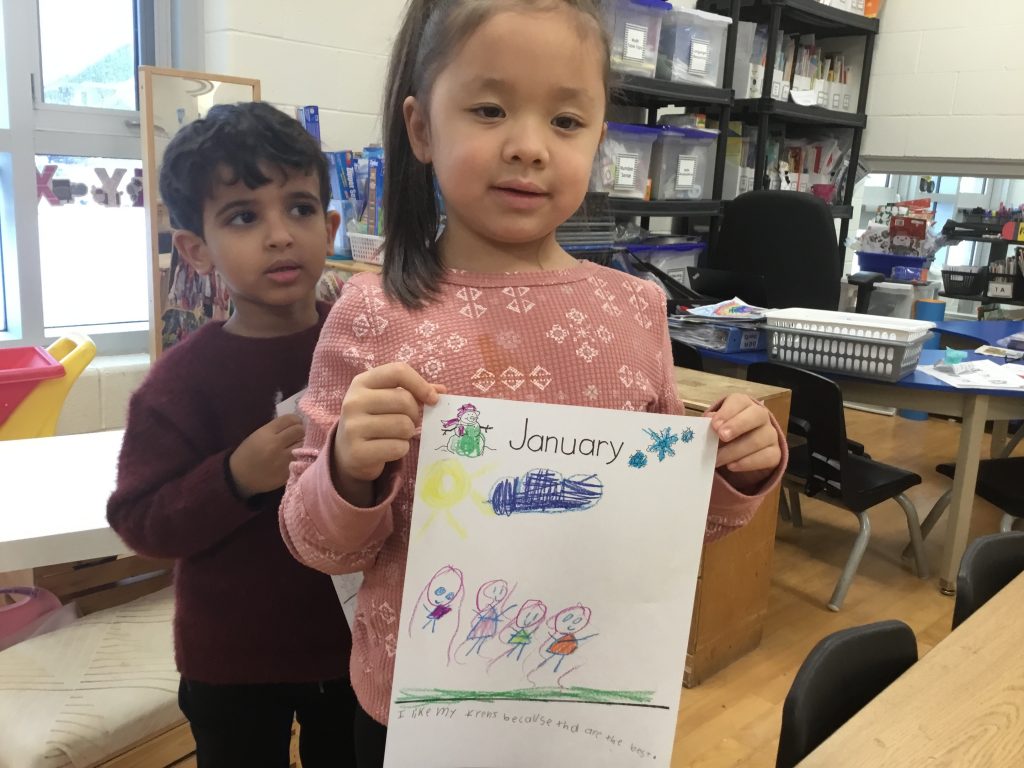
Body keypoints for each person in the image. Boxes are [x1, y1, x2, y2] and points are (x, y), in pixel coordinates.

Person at [279, 2, 788, 765]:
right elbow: (316, 542)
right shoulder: (373, 312)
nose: (528, 146)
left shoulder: (634, 309)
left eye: (566, 121)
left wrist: (736, 467)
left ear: (600, 139)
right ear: (421, 127)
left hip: (587, 706)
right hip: (418, 712)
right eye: (489, 110)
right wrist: (348, 471)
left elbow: (672, 527)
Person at [107, 102, 356, 767]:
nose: (280, 235)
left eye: (300, 208)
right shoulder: (180, 382)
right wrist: (235, 477)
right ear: (196, 249)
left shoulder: (364, 346)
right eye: (243, 216)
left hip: (355, 641)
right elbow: (138, 519)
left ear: (330, 227)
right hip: (233, 658)